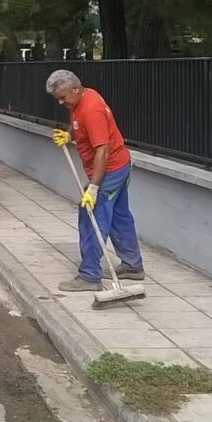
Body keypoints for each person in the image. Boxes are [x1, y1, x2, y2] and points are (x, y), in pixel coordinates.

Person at [45, 70, 146, 291]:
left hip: (110, 169)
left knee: (91, 217)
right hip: (120, 165)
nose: (61, 102)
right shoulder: (83, 99)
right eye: (57, 98)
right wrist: (70, 135)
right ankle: (133, 265)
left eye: (63, 97)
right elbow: (78, 122)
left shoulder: (92, 109)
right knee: (119, 217)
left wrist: (93, 188)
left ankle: (90, 276)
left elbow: (103, 151)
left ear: (75, 88)